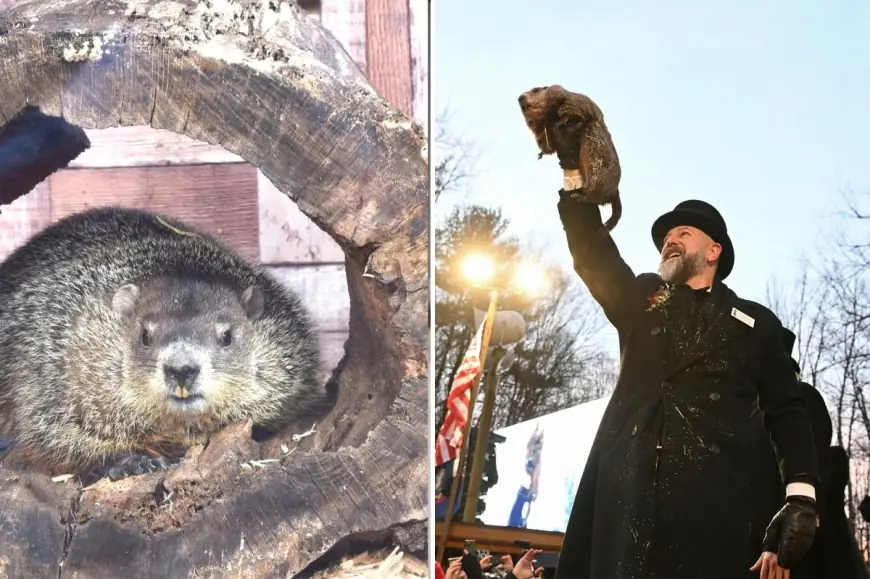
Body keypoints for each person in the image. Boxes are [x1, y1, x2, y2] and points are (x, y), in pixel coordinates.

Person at [547, 121, 821, 579]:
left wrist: (801, 495)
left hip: (714, 510)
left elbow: (787, 412)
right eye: (665, 236)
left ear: (714, 250)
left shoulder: (755, 324)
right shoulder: (644, 300)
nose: (670, 239)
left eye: (683, 233)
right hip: (626, 497)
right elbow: (593, 253)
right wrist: (574, 173)